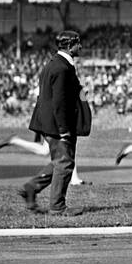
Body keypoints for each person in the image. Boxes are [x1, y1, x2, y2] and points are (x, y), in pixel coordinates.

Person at [19, 31, 86, 216]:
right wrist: (64, 130)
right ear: (69, 45)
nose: (80, 47)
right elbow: (59, 103)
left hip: (49, 123)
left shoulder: (56, 63)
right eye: (78, 43)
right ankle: (57, 207)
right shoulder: (62, 68)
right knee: (65, 163)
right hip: (58, 126)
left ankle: (31, 188)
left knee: (59, 162)